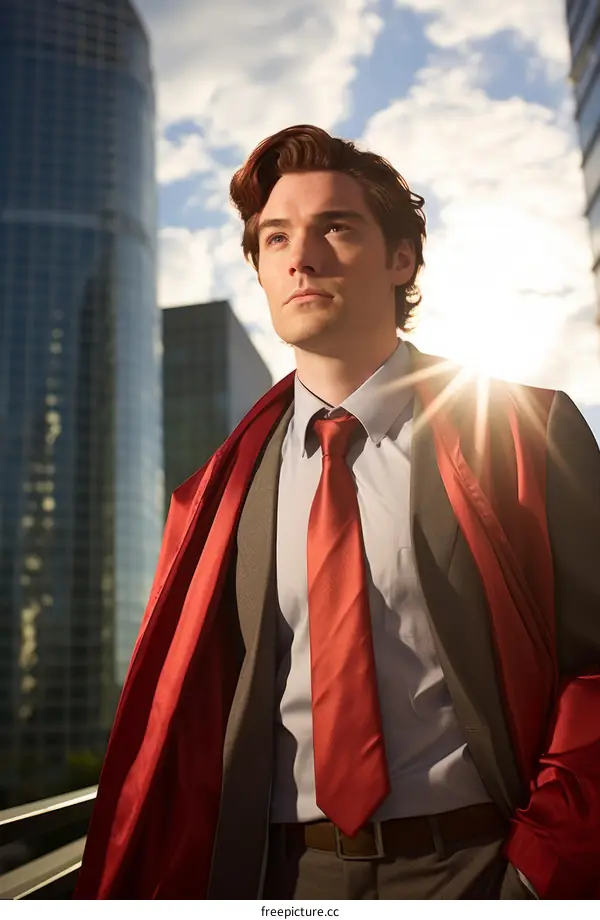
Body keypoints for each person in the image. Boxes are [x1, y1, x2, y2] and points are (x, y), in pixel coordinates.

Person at [73, 125, 600, 900]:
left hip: (479, 867)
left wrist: (539, 869)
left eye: (336, 227)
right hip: (282, 878)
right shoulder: (212, 498)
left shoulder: (524, 432)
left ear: (401, 259)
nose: (301, 256)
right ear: (258, 268)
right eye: (276, 236)